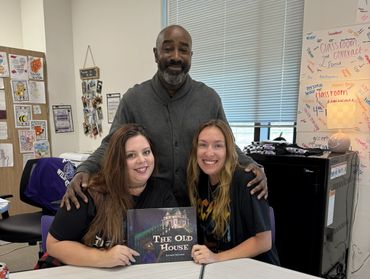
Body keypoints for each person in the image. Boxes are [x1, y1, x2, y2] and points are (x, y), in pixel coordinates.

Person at [62, 24, 267, 210]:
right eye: (168, 48)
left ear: (191, 55)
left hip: (199, 206)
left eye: (183, 50)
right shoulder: (134, 99)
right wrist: (85, 169)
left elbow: (227, 145)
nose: (176, 56)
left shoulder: (209, 99)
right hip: (145, 208)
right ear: (156, 54)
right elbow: (111, 145)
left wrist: (253, 166)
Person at [46, 124, 178, 267]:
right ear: (116, 161)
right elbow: (53, 244)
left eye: (146, 152)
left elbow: (177, 241)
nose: (142, 160)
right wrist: (103, 257)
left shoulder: (162, 191)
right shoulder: (87, 192)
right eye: (130, 155)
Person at [189, 120, 279, 265]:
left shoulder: (247, 180)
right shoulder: (200, 182)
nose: (209, 152)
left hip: (256, 269)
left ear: (228, 150)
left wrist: (216, 258)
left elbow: (263, 241)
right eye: (203, 145)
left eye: (218, 145)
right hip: (221, 267)